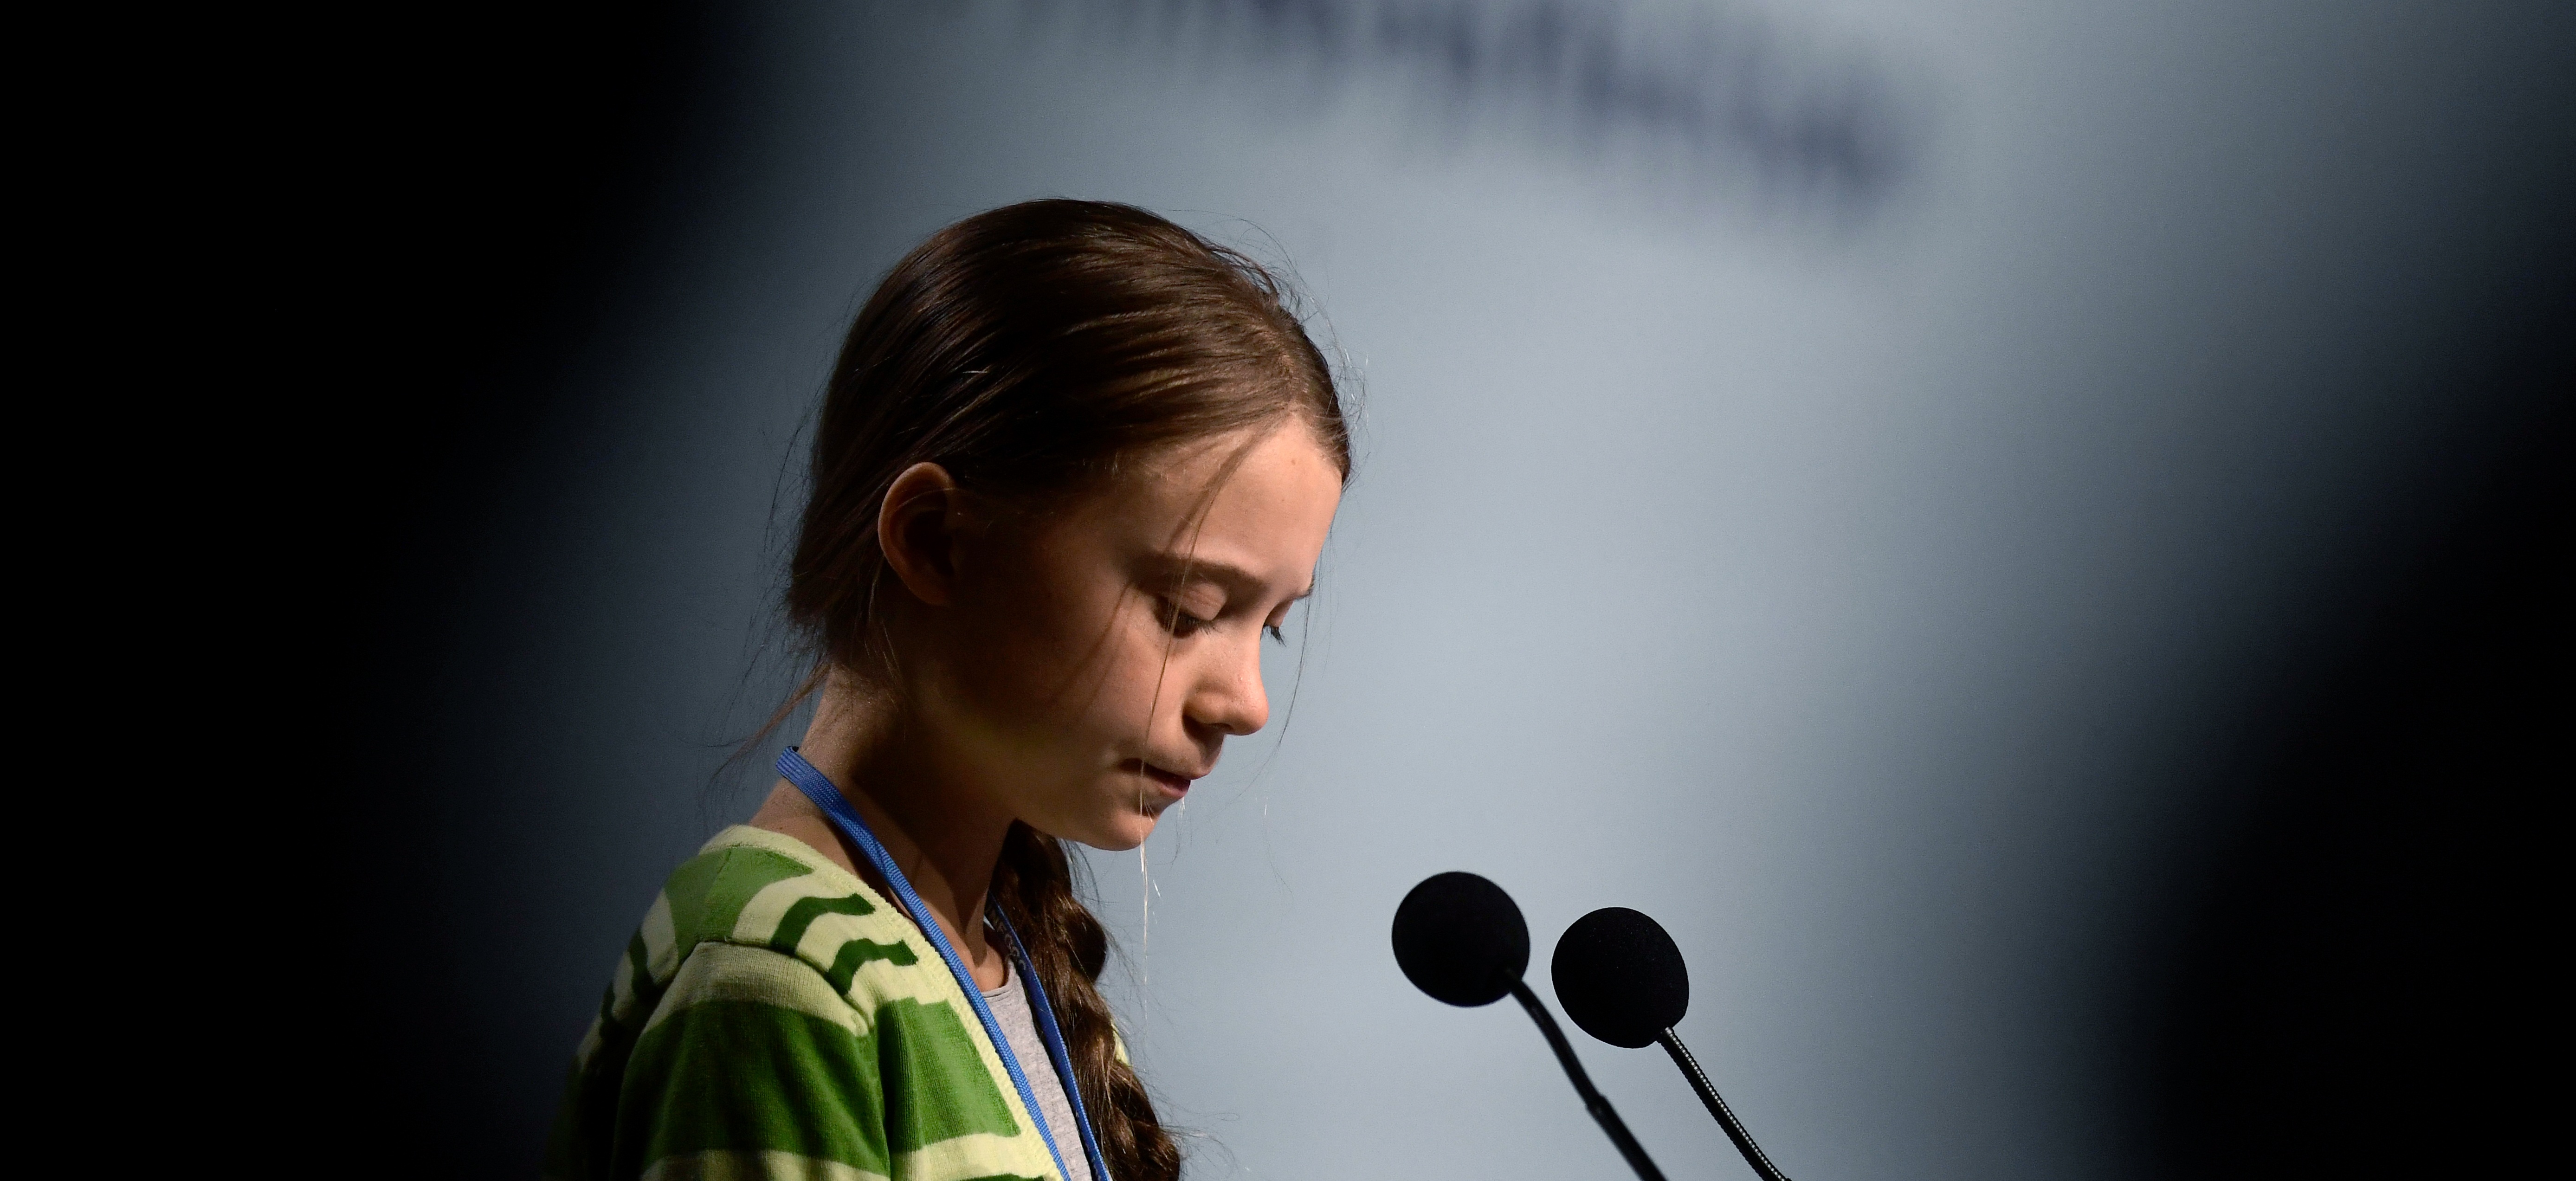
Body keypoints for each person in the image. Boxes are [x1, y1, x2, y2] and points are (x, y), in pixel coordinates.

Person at [543, 199, 1351, 1181]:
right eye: (1184, 609)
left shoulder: (1005, 977)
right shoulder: (784, 977)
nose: (1247, 702)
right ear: (934, 540)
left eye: (1267, 625)